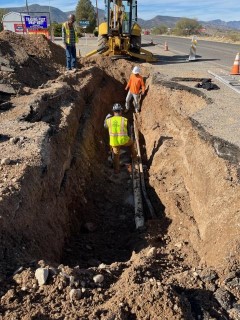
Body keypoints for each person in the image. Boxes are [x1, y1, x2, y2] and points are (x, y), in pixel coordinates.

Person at [104, 103, 137, 174]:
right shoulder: (124, 120)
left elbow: (105, 127)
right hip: (124, 140)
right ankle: (134, 157)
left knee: (116, 155)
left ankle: (116, 170)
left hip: (114, 142)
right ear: (121, 111)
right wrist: (130, 138)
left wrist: (106, 118)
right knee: (132, 143)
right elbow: (129, 130)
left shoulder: (109, 120)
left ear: (113, 112)